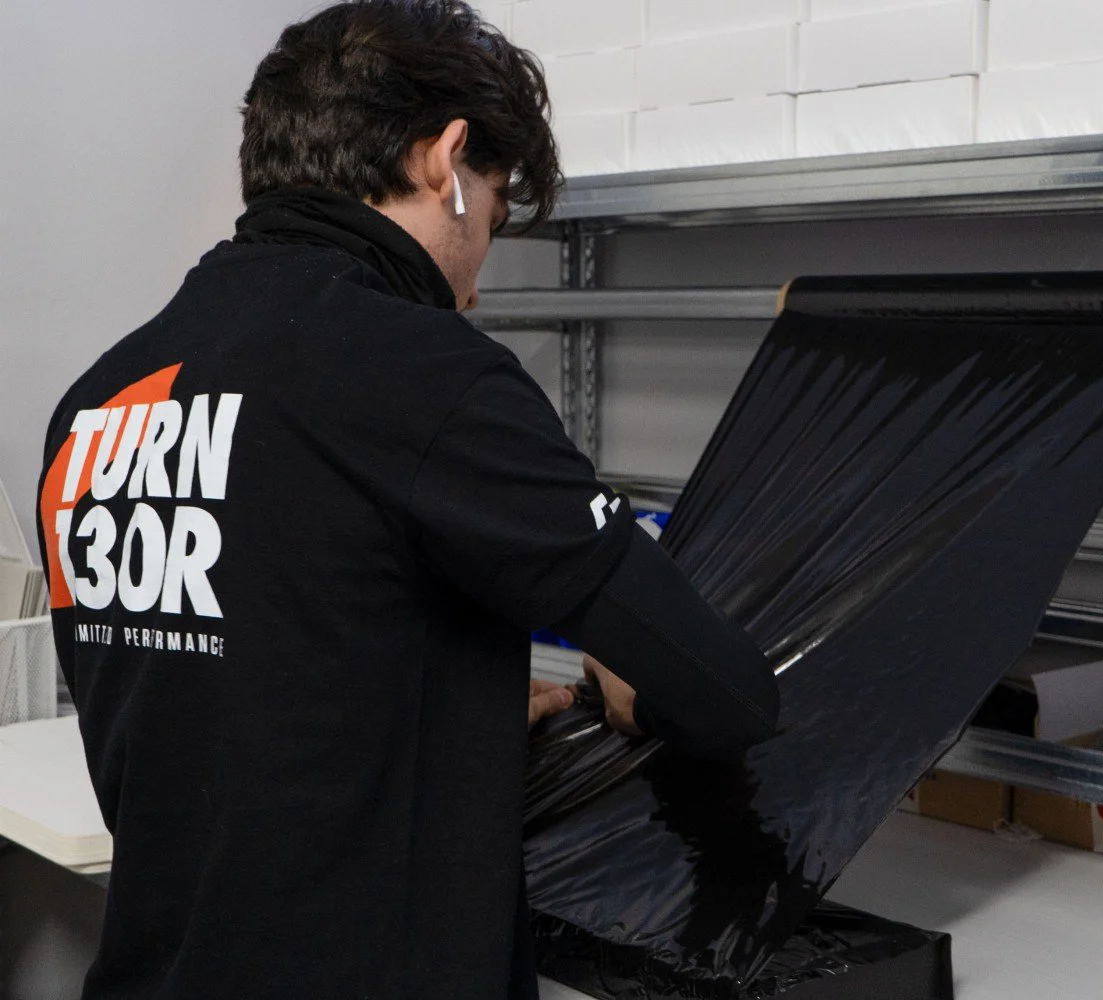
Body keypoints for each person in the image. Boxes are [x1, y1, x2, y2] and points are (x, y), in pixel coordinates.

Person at [34, 3, 779, 998]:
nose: (472, 289)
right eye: (495, 216)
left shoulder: (95, 406)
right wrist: (633, 682)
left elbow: (235, 694)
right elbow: (728, 696)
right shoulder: (427, 375)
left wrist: (447, 717)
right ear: (446, 159)